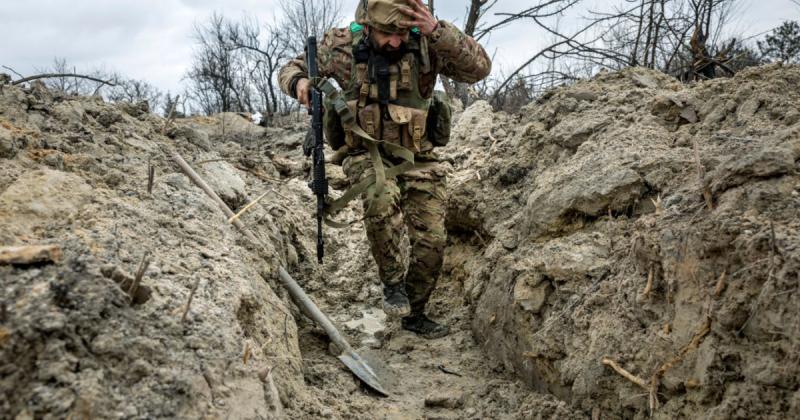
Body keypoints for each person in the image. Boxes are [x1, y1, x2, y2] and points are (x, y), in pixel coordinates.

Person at [278, 0, 491, 339]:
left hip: (417, 157)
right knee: (379, 197)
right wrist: (299, 82)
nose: (395, 42)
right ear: (368, 26)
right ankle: (392, 283)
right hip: (364, 151)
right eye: (387, 34)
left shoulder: (426, 42)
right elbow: (290, 69)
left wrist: (439, 32)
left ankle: (416, 312)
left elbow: (479, 68)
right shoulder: (342, 46)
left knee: (432, 238)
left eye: (402, 34)